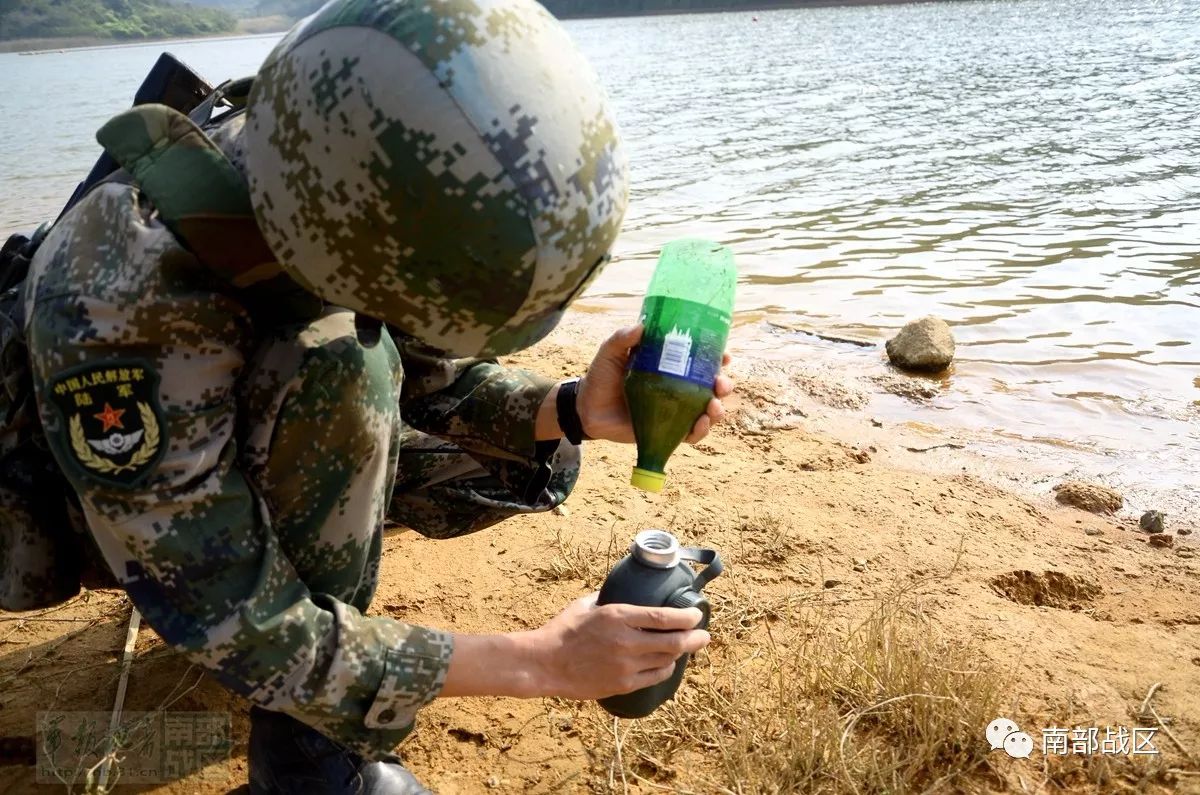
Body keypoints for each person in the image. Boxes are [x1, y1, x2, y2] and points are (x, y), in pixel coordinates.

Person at [10, 0, 733, 791]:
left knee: (527, 463)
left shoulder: (329, 172)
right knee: (342, 374)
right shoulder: (117, 302)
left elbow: (424, 369)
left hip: (198, 445)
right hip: (72, 504)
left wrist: (572, 410)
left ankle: (310, 661)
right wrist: (543, 662)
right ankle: (308, 759)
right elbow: (235, 618)